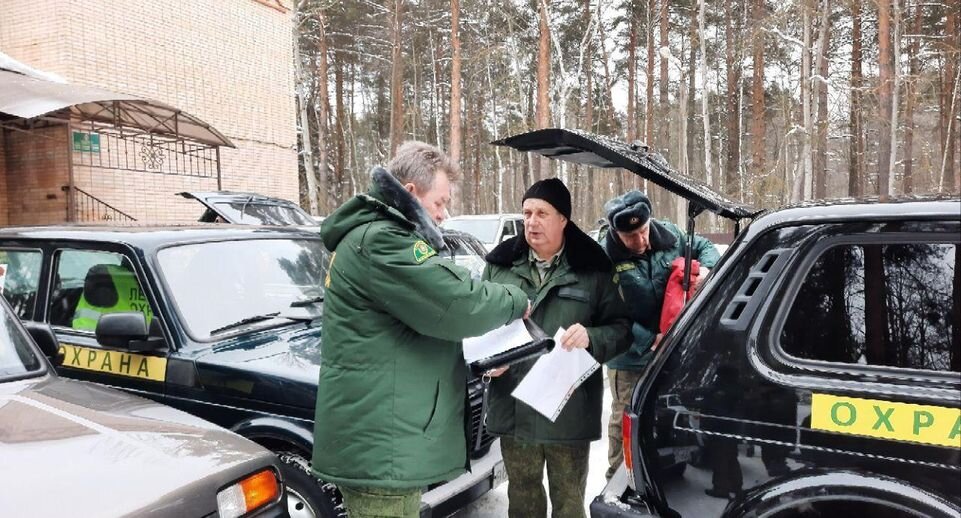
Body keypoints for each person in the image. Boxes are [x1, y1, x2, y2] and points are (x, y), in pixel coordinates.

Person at [311, 141, 531, 518]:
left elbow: (410, 332)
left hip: (386, 444)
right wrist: (516, 300)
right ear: (411, 191)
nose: (445, 215)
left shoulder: (379, 236)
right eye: (440, 202)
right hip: (381, 451)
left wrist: (476, 359)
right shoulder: (381, 240)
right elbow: (457, 302)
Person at [483, 178, 631, 518]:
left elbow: (622, 330)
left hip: (568, 413)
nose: (531, 222)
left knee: (568, 504)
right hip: (515, 408)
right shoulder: (500, 266)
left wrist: (591, 337)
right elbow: (480, 326)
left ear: (563, 218)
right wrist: (489, 360)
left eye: (542, 213)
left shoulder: (593, 268)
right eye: (526, 213)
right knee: (522, 503)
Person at [600, 190, 720, 480]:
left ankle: (665, 471)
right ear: (616, 232)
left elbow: (704, 246)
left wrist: (707, 270)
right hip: (629, 357)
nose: (641, 241)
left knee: (663, 413)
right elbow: (605, 312)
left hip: (669, 351)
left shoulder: (670, 235)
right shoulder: (603, 258)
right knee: (625, 419)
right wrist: (648, 340)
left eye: (643, 231)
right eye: (631, 237)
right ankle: (619, 480)